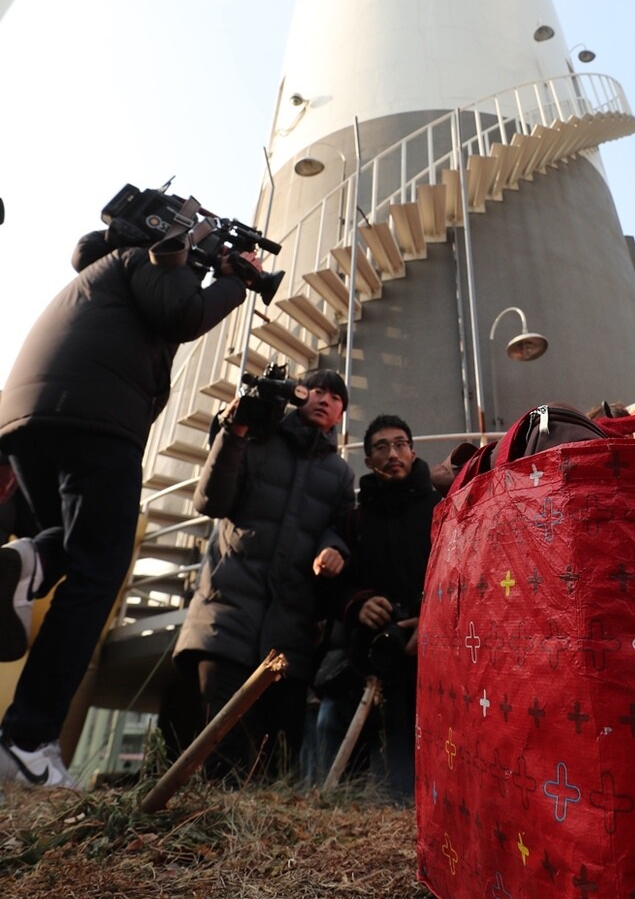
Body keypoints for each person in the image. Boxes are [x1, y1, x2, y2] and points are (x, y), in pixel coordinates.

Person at [0, 226, 251, 788]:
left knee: (75, 545)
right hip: (97, 421)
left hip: (28, 419)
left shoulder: (95, 281)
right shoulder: (150, 257)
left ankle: (32, 559)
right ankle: (28, 742)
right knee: (98, 573)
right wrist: (232, 281)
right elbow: (184, 314)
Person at [174, 368, 354, 783]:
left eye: (336, 397)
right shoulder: (257, 439)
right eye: (318, 390)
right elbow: (210, 501)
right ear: (299, 395)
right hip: (225, 618)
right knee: (222, 755)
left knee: (277, 764)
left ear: (341, 414)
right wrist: (233, 433)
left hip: (289, 635)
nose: (325, 399)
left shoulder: (341, 474)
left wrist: (334, 549)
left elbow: (341, 527)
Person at [312, 414, 439, 802]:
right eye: (381, 447)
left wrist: (431, 618)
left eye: (400, 444)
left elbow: (462, 574)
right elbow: (331, 589)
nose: (392, 454)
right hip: (367, 656)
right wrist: (358, 604)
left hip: (432, 654)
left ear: (413, 451)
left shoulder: (441, 510)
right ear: (367, 461)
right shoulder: (353, 520)